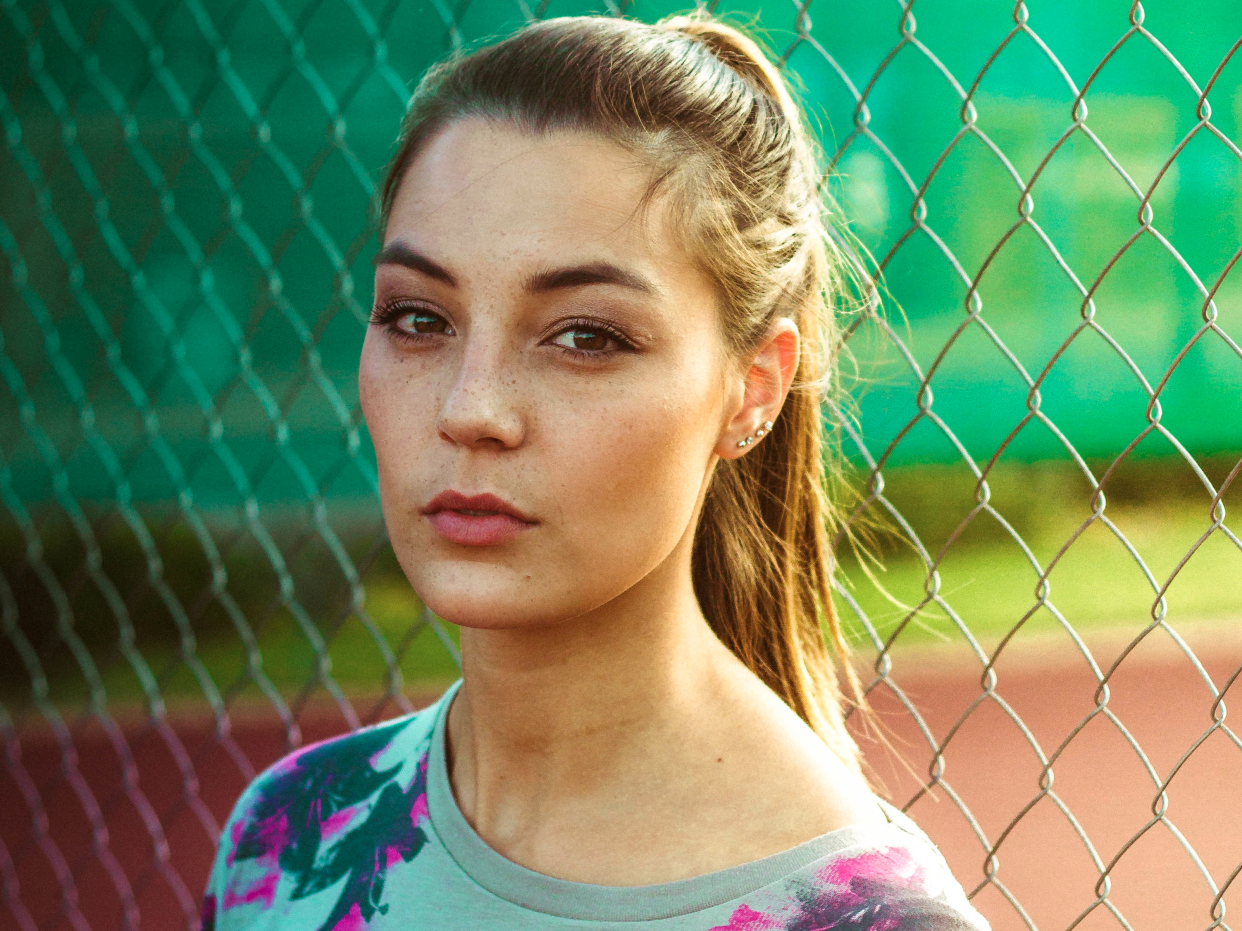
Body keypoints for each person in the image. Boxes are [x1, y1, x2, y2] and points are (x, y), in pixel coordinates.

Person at [201, 13, 990, 930]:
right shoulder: (289, 834)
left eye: (586, 335)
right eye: (419, 317)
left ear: (752, 389)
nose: (470, 409)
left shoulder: (872, 919)